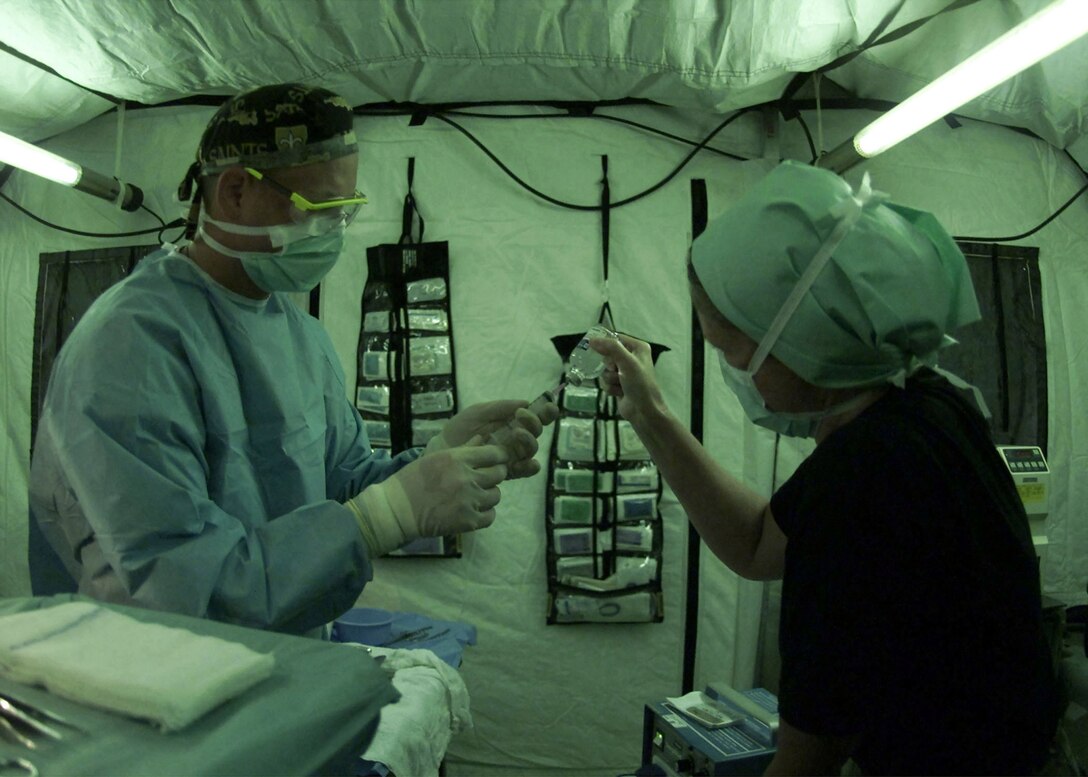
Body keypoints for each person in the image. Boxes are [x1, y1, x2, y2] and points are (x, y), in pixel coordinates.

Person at [29, 83, 556, 637]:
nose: (333, 234)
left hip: (270, 666)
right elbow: (177, 589)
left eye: (345, 213)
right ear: (235, 190)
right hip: (154, 684)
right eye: (321, 209)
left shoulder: (299, 335)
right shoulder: (132, 346)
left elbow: (340, 483)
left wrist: (435, 462)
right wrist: (388, 515)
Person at [592, 161, 1061, 775]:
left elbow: (806, 764)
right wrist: (650, 414)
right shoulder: (920, 406)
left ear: (797, 337)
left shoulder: (867, 480)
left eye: (726, 347)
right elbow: (760, 543)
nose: (732, 368)